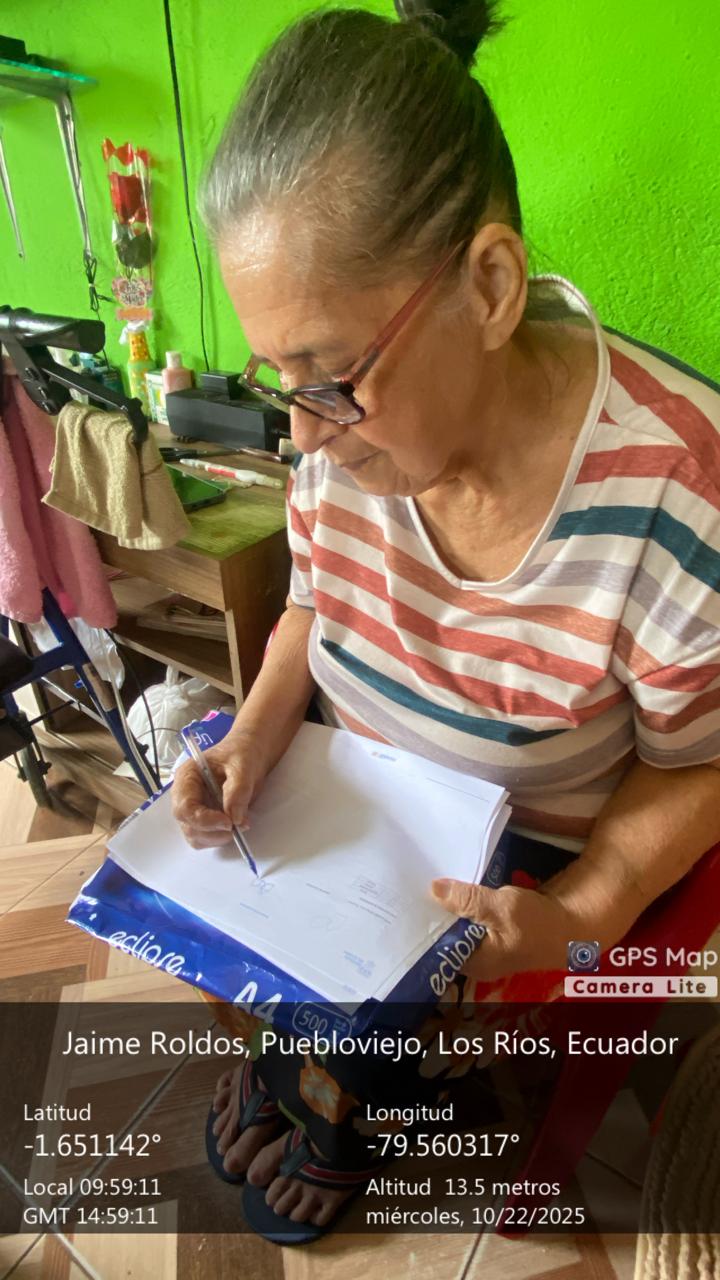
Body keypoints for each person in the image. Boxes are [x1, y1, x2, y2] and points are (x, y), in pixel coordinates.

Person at [171, 0, 720, 1243]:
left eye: (328, 377)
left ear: (490, 284)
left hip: (514, 857)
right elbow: (313, 602)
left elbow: (700, 761)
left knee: (371, 1032)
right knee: (216, 905)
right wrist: (254, 738)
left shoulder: (676, 491)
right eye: (276, 379)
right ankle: (308, 1075)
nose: (302, 434)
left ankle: (339, 1108)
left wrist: (588, 910)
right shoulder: (340, 442)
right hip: (350, 798)